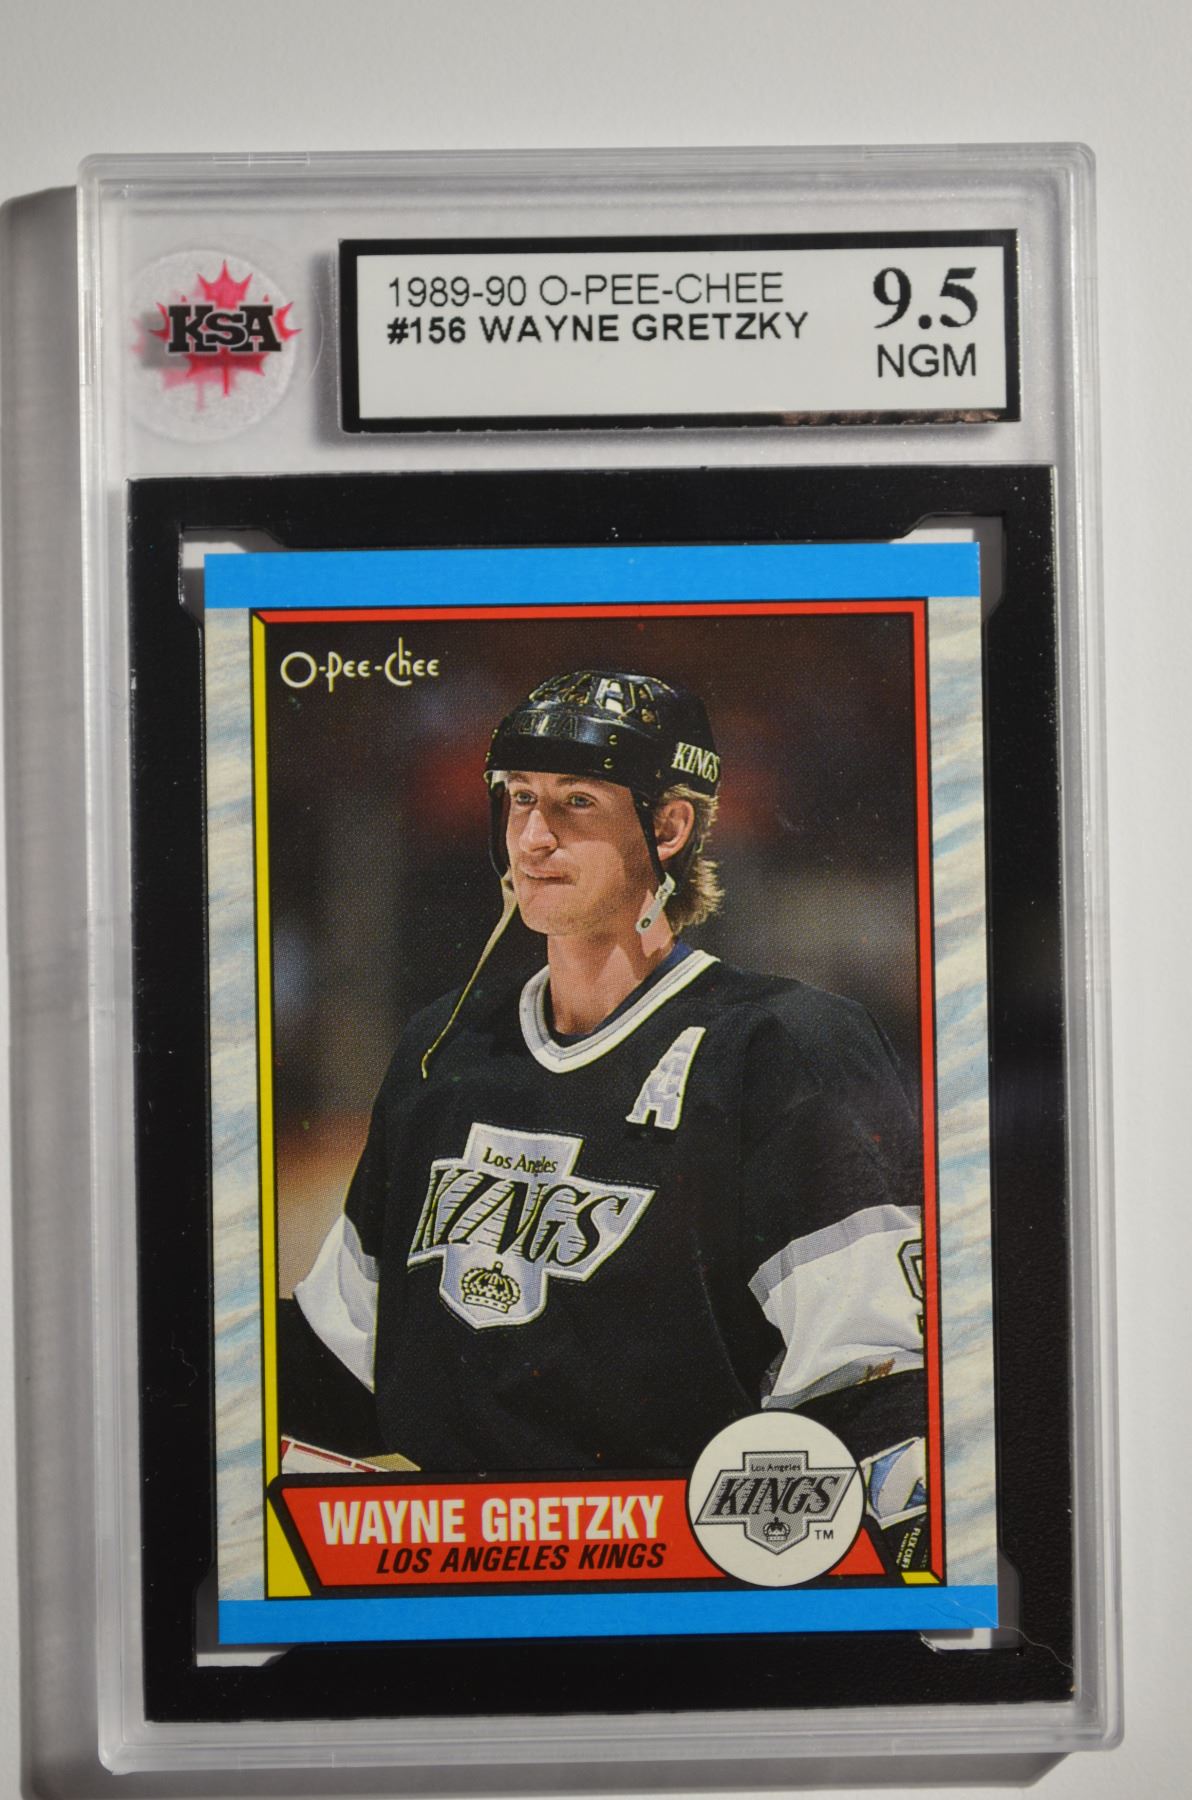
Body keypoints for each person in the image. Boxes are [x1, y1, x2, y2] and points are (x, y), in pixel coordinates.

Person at [279, 669, 929, 1567]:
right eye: (519, 799)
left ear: (669, 828)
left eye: (576, 803)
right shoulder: (445, 1048)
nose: (533, 837)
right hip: (453, 1572)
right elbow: (342, 1359)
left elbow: (872, 1390)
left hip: (682, 1579)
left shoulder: (783, 1048)